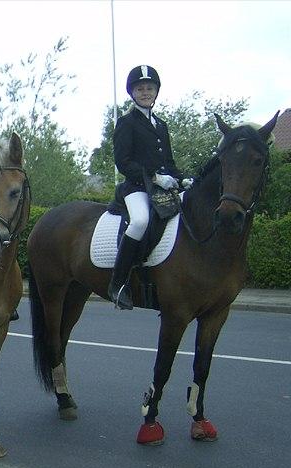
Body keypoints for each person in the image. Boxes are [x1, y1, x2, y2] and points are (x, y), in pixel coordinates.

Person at [110, 65, 192, 310]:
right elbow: (123, 162)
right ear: (132, 93)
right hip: (136, 188)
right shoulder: (126, 122)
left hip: (161, 189)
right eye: (140, 88)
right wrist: (155, 178)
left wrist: (183, 178)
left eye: (149, 88)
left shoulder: (161, 125)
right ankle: (118, 283)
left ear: (156, 91)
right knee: (140, 222)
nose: (145, 92)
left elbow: (169, 163)